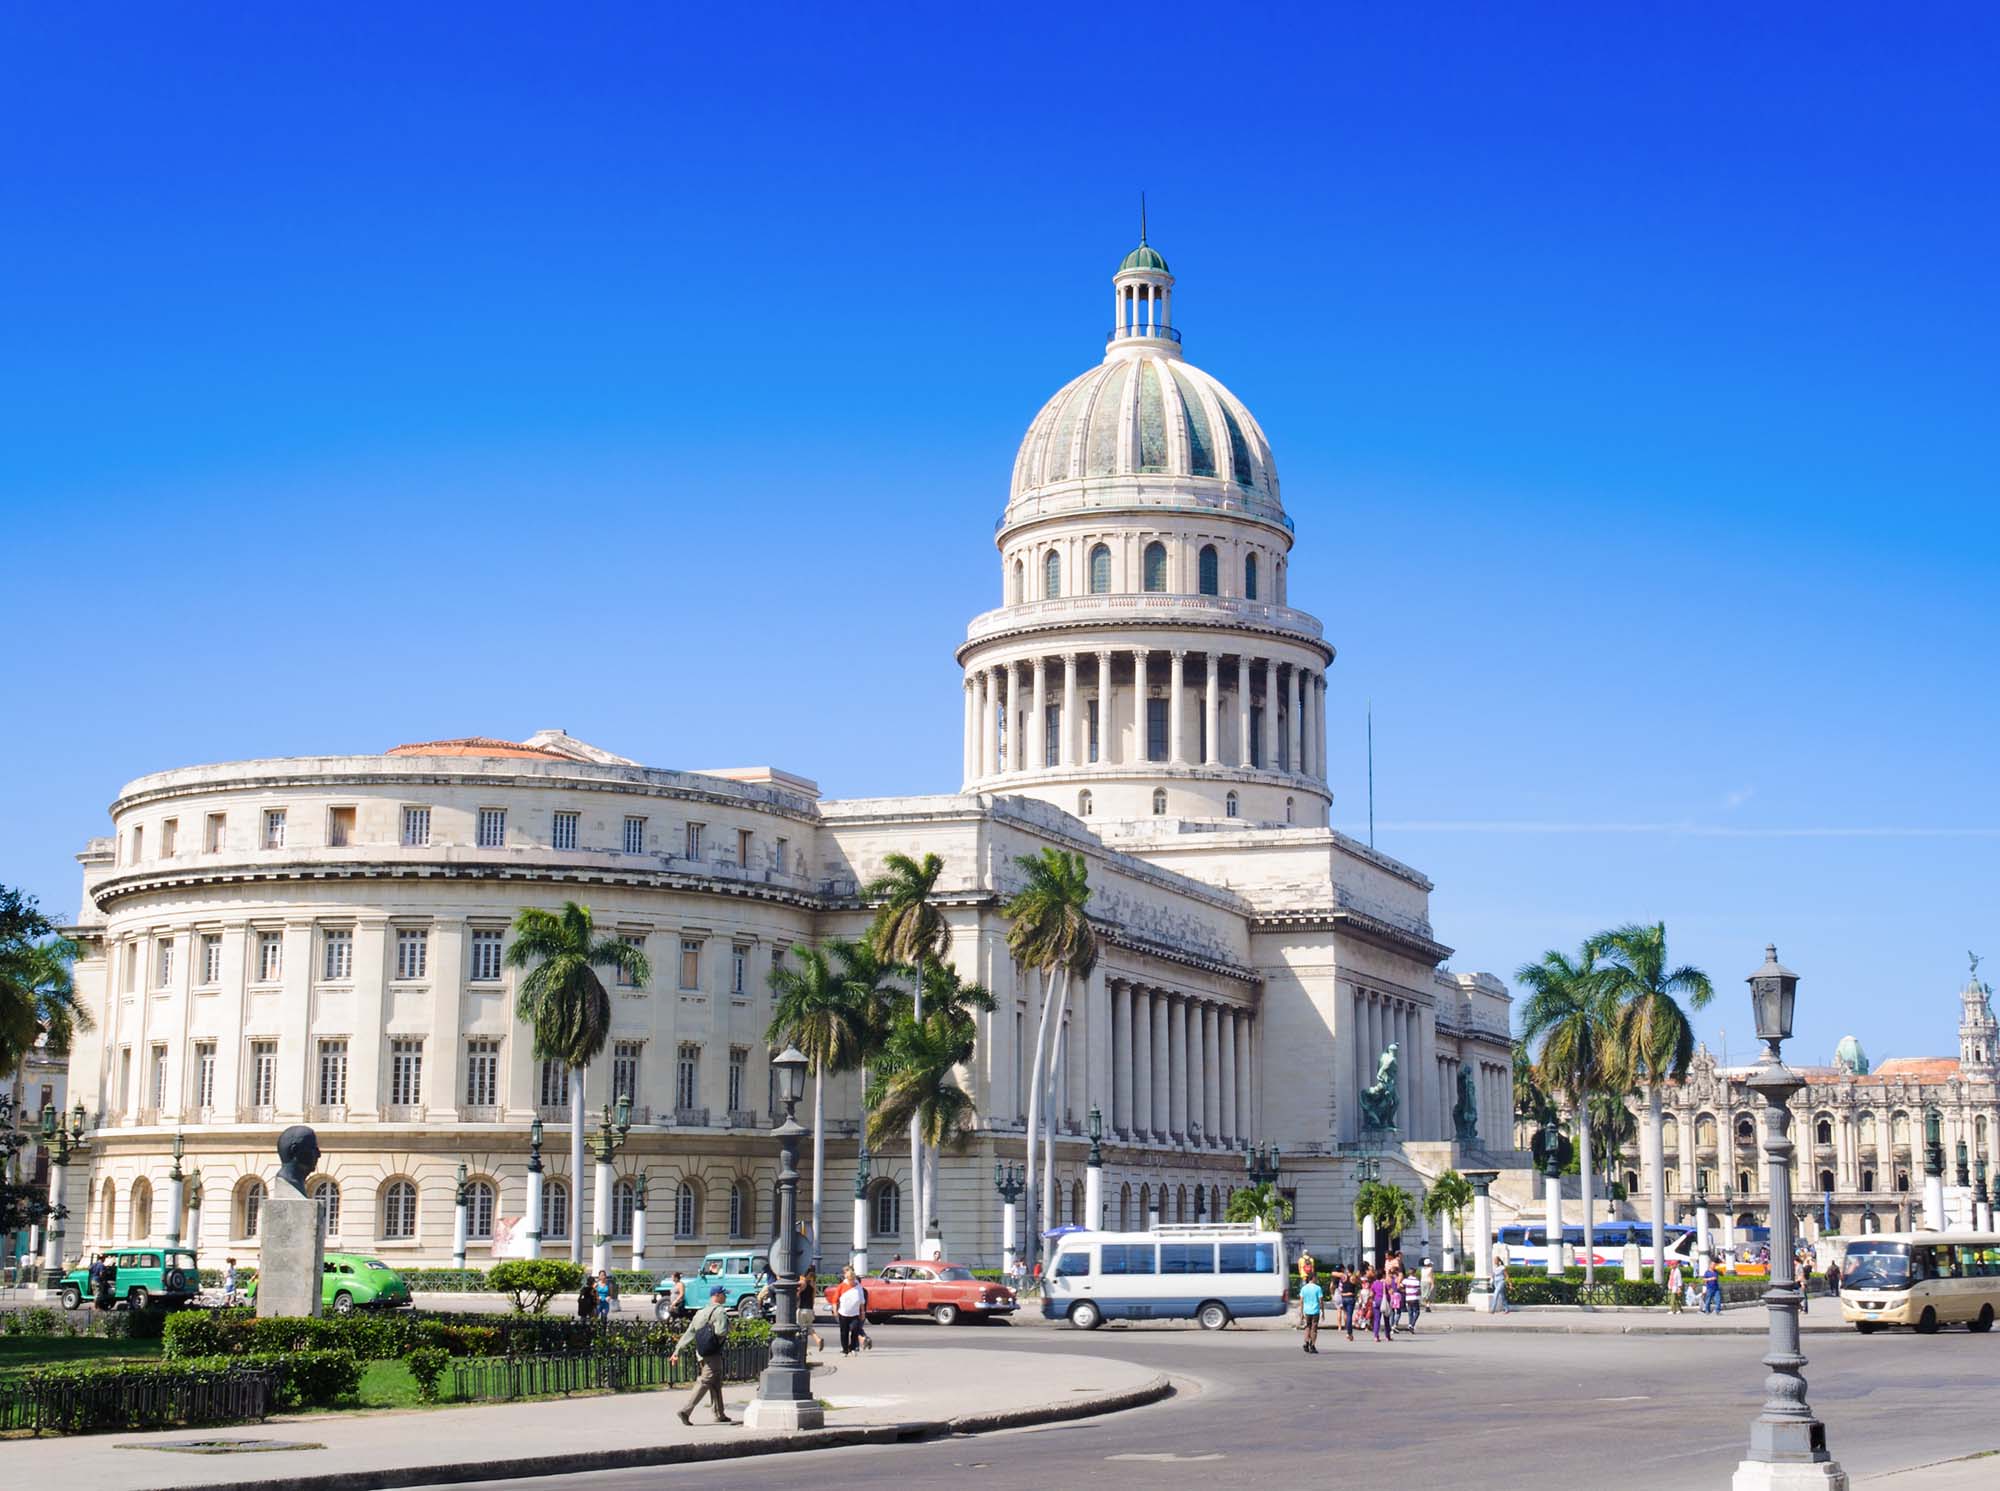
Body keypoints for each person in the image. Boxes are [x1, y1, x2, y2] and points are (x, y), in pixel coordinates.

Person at [674, 1285, 733, 1426]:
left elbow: (690, 1333)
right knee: (706, 1380)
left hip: (701, 1352)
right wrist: (729, 1327)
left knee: (716, 1383)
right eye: (724, 1294)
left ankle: (719, 1413)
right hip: (713, 1352)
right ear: (717, 1295)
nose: (726, 1297)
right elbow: (721, 1332)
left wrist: (677, 1351)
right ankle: (685, 1411)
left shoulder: (700, 1312)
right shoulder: (720, 1312)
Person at [834, 1264, 868, 1355]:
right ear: (846, 1278)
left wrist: (863, 1312)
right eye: (849, 1279)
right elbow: (835, 1300)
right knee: (844, 1332)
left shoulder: (858, 1287)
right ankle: (845, 1349)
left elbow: (861, 1301)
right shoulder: (842, 1286)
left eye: (852, 1279)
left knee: (854, 1329)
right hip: (843, 1313)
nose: (851, 1281)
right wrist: (835, 1311)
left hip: (855, 1313)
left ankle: (853, 1348)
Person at [798, 1265, 823, 1355]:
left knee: (800, 1330)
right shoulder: (813, 1284)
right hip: (810, 1309)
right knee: (809, 1328)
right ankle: (817, 1339)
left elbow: (797, 1294)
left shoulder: (802, 1283)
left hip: (802, 1309)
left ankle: (804, 1350)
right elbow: (813, 1297)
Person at [1298, 1271, 1323, 1354]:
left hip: (1307, 1311)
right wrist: (1322, 1311)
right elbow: (1321, 1301)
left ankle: (1306, 1342)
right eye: (1316, 1277)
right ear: (1313, 1278)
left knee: (1307, 1327)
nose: (1317, 1279)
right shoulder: (1318, 1288)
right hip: (1315, 1310)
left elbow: (1301, 1301)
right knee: (1314, 1329)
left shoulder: (1304, 1288)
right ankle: (1312, 1345)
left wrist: (1301, 1312)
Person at [1337, 1270, 1359, 1341]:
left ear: (1347, 1270)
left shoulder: (1343, 1277)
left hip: (1344, 1297)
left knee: (1346, 1314)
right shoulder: (1353, 1277)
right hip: (1350, 1297)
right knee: (1349, 1315)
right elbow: (1358, 1283)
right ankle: (1349, 1333)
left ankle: (1347, 1330)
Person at [1402, 1266, 1423, 1333]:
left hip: (1408, 1298)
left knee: (1410, 1312)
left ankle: (1410, 1324)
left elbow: (1400, 1286)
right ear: (1415, 1273)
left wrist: (1406, 1291)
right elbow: (1419, 1291)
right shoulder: (1417, 1281)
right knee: (1417, 1312)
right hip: (1414, 1298)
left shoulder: (1405, 1280)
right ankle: (1412, 1324)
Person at [1492, 1248, 1512, 1313]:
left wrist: (1510, 1284)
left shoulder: (1502, 1267)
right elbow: (1493, 1276)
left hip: (1501, 1281)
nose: (1494, 1261)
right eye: (1494, 1260)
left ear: (1498, 1261)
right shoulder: (1494, 1268)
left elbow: (1507, 1276)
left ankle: (1493, 1309)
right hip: (1496, 1282)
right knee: (1502, 1295)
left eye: (1495, 1260)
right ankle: (1506, 1308)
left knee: (1496, 1293)